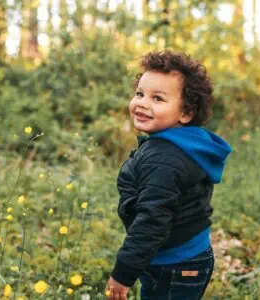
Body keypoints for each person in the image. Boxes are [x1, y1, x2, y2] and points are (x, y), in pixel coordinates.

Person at [105, 50, 232, 300]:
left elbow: (152, 221)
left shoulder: (165, 158)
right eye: (140, 94)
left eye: (158, 99)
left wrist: (123, 273)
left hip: (175, 266)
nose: (142, 103)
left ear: (185, 113)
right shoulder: (183, 144)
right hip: (184, 257)